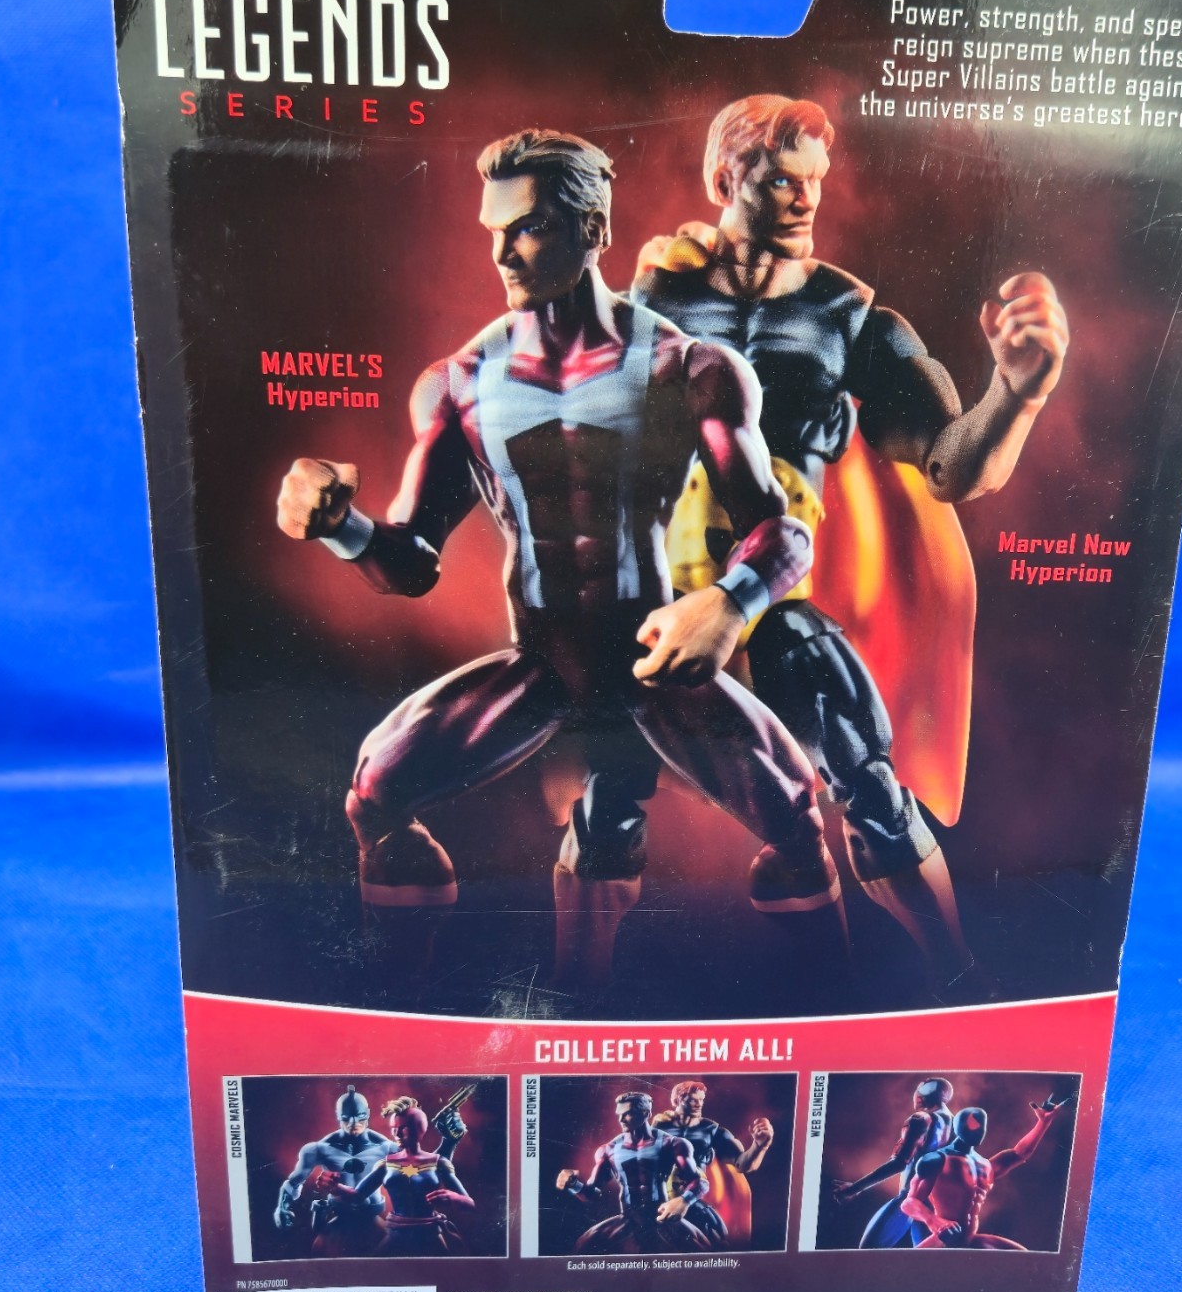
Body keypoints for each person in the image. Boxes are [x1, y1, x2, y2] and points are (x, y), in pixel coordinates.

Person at [276, 129, 842, 993]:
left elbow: (783, 532)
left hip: (653, 661)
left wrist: (729, 603)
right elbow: (412, 562)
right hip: (542, 665)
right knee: (375, 796)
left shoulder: (687, 368)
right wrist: (339, 524)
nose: (502, 252)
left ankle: (833, 1016)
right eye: (494, 230)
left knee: (802, 827)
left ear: (593, 229)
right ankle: (399, 1009)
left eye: (529, 227)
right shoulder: (461, 382)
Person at [632, 96, 1070, 991]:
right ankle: (570, 998)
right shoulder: (652, 300)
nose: (805, 198)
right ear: (723, 178)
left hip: (774, 597)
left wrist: (1016, 395)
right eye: (779, 179)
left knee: (869, 787)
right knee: (607, 795)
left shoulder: (850, 317)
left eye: (815, 180)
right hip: (652, 603)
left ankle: (959, 982)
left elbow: (950, 466)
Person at [899, 1093, 1071, 1249]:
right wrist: (933, 1221)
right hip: (945, 1240)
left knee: (1022, 1256)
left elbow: (1020, 1153)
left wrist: (1043, 1123)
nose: (976, 1129)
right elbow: (909, 1203)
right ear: (958, 1127)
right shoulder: (937, 1160)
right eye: (972, 1124)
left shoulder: (985, 1165)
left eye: (980, 1125)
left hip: (969, 1239)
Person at [555, 1089, 709, 1252]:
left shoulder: (672, 1143)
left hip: (661, 1216)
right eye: (619, 1114)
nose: (621, 1119)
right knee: (583, 1246)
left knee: (703, 1248)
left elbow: (700, 1182)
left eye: (627, 1114)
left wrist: (684, 1201)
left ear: (646, 1113)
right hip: (629, 1218)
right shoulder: (609, 1150)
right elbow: (591, 1194)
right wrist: (573, 1184)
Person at [337, 1093, 476, 1255]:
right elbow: (357, 1195)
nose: (397, 1133)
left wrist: (454, 1198)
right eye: (394, 1128)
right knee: (375, 1269)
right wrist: (335, 1187)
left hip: (430, 1235)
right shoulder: (386, 1164)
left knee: (445, 1269)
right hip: (396, 1235)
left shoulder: (438, 1163)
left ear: (420, 1128)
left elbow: (469, 1204)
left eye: (404, 1128)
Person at [273, 1085, 396, 1257]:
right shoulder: (319, 1148)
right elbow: (294, 1181)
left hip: (373, 1223)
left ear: (368, 1113)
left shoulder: (387, 1148)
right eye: (346, 1118)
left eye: (360, 1116)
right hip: (338, 1225)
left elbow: (416, 1173)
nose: (353, 1123)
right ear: (338, 1116)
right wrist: (282, 1207)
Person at [829, 1076, 953, 1247]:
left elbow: (899, 1163)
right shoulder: (954, 1123)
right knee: (924, 1255)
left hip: (910, 1198)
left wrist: (853, 1189)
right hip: (934, 1204)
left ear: (924, 1094)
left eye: (918, 1090)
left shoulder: (921, 1120)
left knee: (867, 1250)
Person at [652, 1079, 773, 1246]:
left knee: (718, 1235)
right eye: (693, 1099)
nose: (699, 1104)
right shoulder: (659, 1126)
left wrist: (759, 1146)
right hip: (658, 1196)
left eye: (701, 1099)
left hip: (692, 1195)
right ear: (678, 1099)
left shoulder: (712, 1131)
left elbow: (742, 1165)